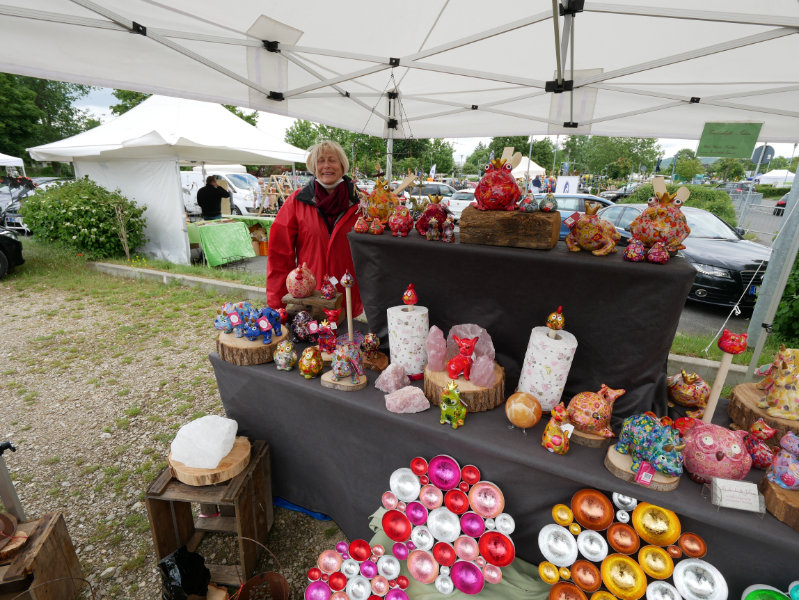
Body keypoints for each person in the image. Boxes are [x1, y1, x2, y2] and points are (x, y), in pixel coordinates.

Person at [266, 140, 364, 315]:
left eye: (332, 160)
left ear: (342, 165)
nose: (326, 166)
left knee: (346, 330)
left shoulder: (363, 203)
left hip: (348, 292)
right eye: (320, 161)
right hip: (310, 294)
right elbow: (279, 256)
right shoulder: (296, 202)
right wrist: (276, 305)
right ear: (313, 167)